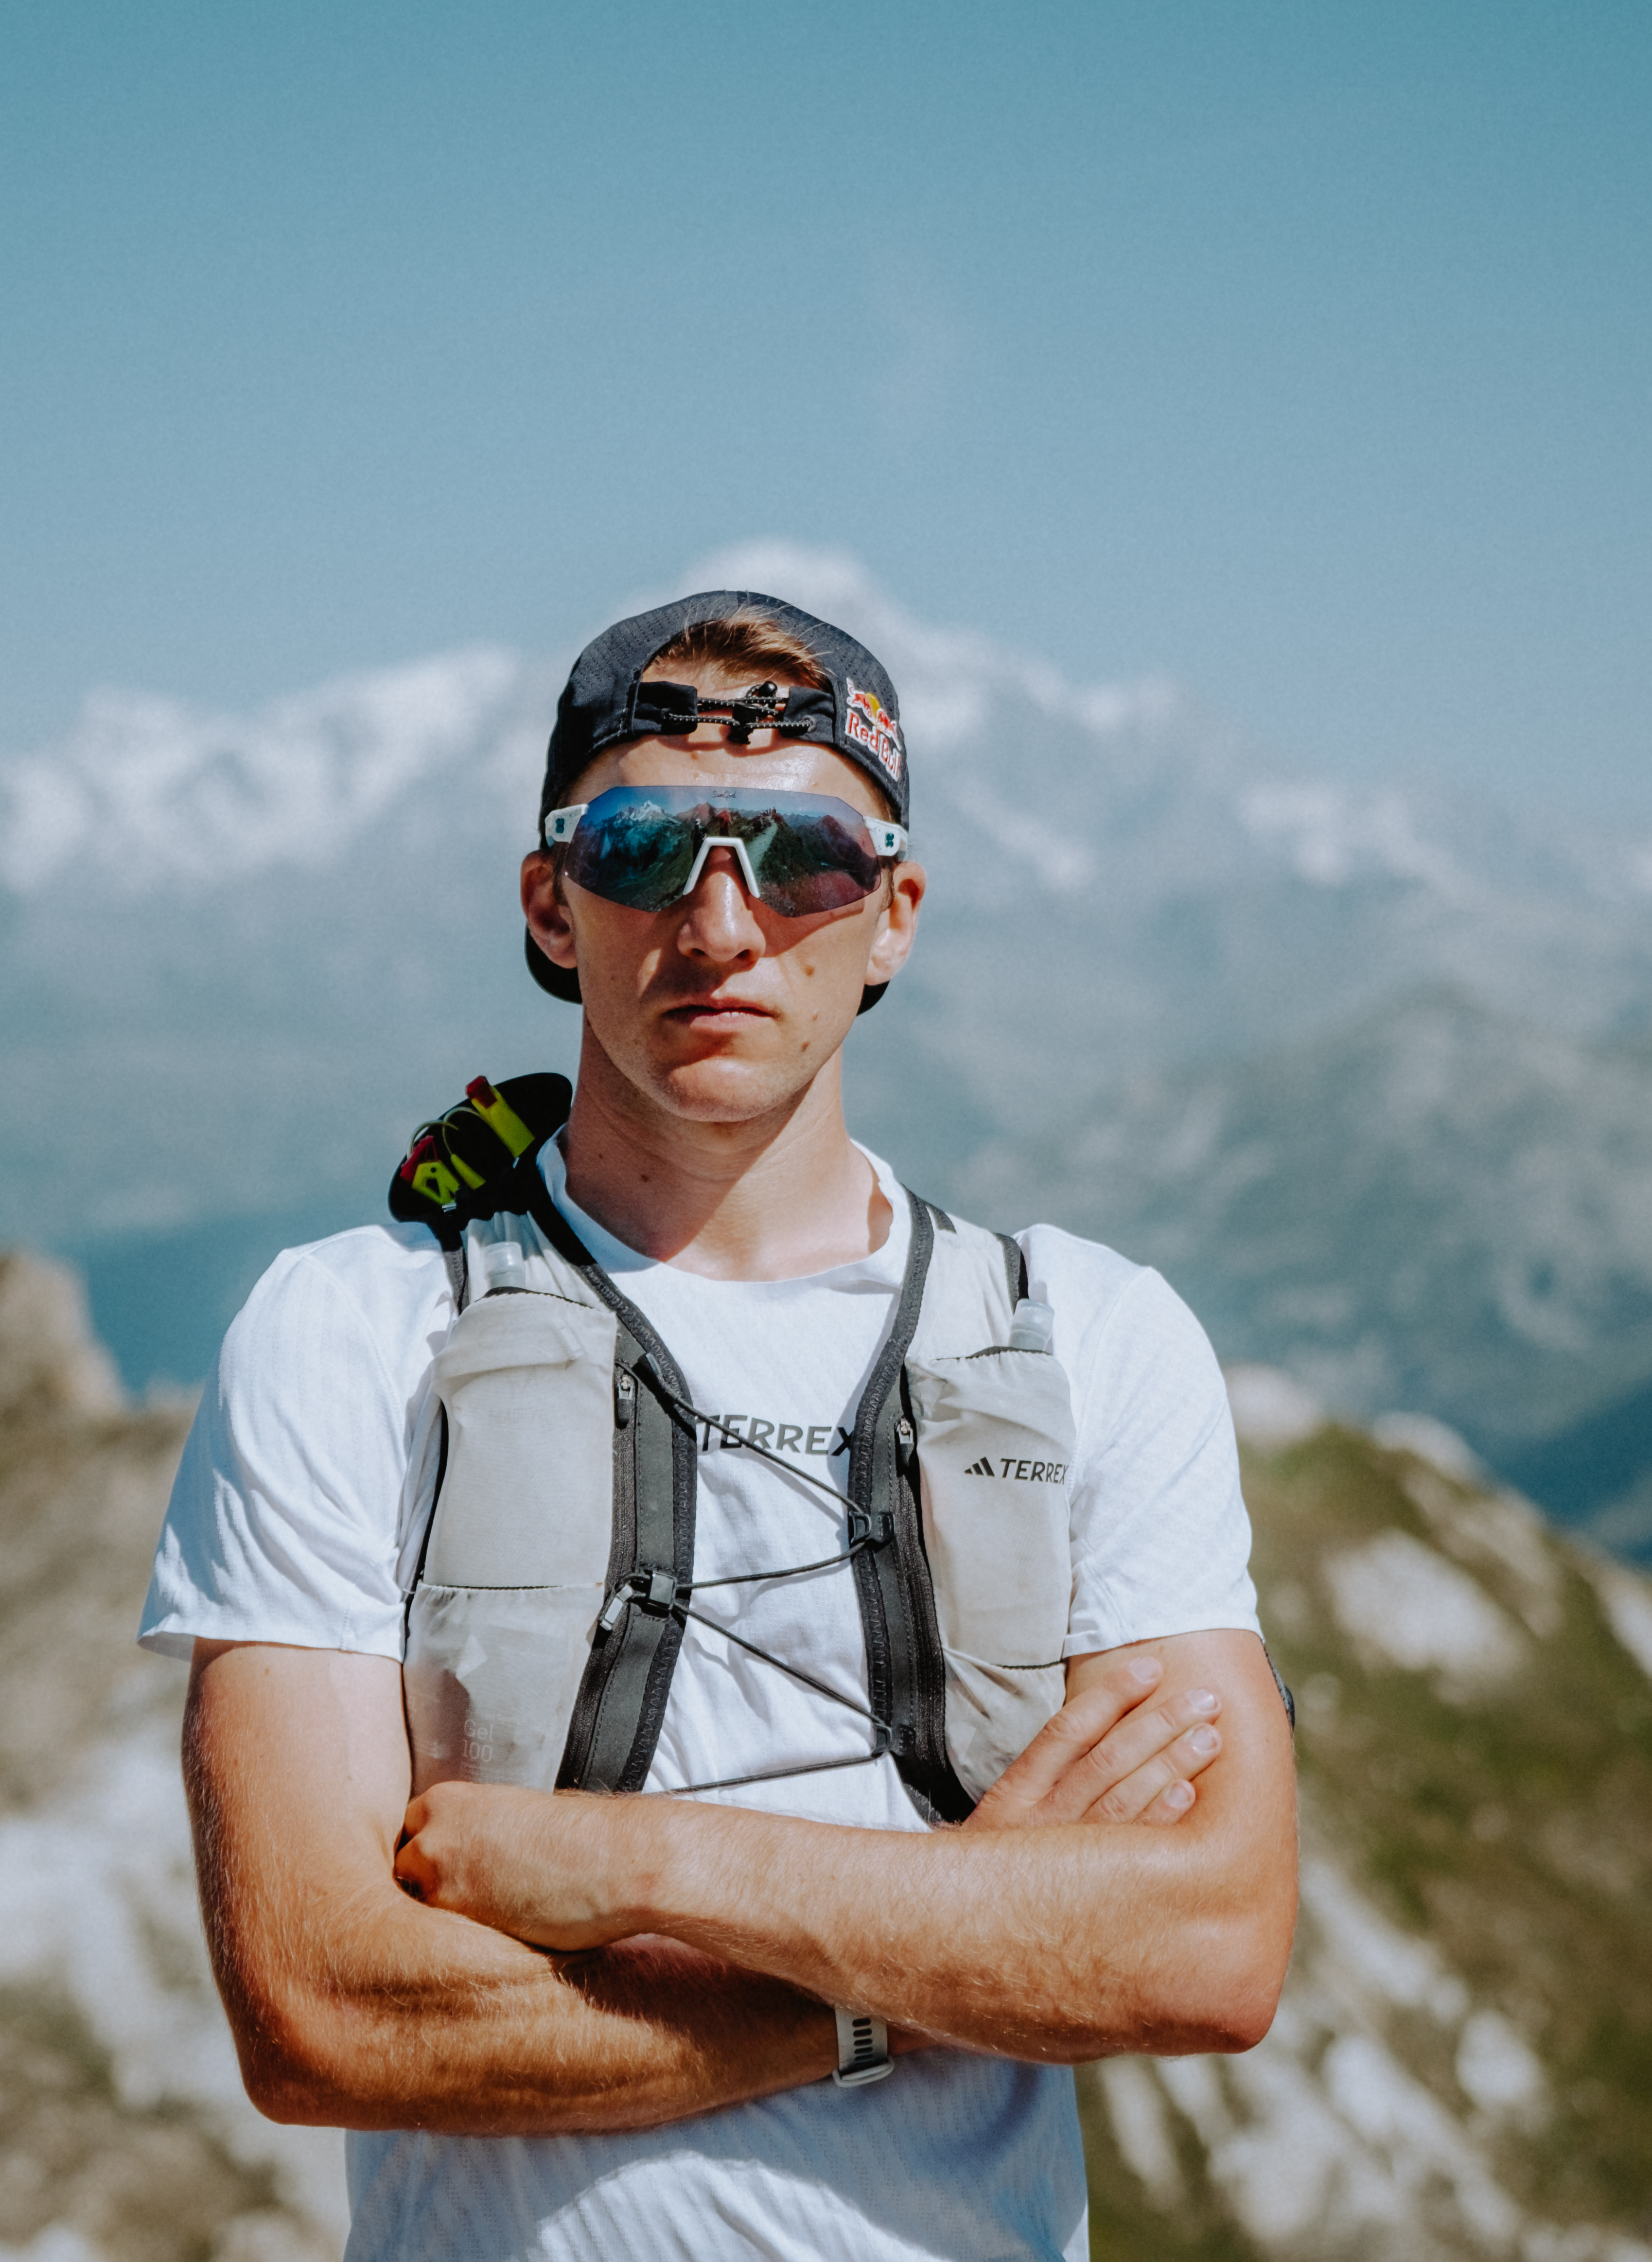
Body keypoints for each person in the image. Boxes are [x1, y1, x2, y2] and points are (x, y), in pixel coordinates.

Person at [137, 589, 1296, 2260]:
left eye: (804, 855)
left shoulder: (1093, 1339)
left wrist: (634, 1865)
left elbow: (1205, 1954)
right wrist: (946, 1955)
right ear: (551, 905)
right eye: (642, 849)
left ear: (891, 914)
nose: (724, 922)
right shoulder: (349, 1332)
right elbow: (323, 2016)